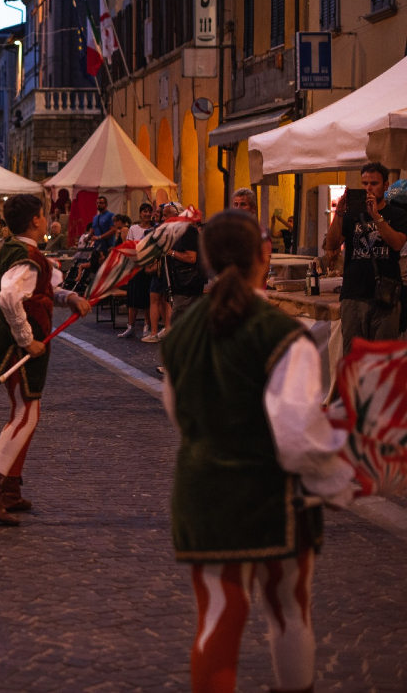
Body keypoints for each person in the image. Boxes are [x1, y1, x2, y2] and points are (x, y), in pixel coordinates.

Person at [160, 209, 353, 693]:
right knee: (290, 609)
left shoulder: (180, 332)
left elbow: (179, 412)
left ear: (205, 259)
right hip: (271, 498)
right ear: (264, 255)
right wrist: (340, 474)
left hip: (201, 491)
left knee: (217, 618)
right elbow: (295, 434)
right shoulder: (284, 334)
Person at [0, 195, 89, 525]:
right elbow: (10, 297)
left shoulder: (21, 251)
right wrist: (26, 339)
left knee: (25, 411)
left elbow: (41, 291)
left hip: (22, 346)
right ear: (36, 220)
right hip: (19, 348)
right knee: (26, 414)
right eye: (44, 214)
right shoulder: (25, 255)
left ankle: (9, 489)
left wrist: (71, 297)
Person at [324, 161, 407, 352]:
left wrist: (376, 217)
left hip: (385, 297)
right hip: (354, 295)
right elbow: (332, 244)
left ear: (386, 185)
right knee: (354, 358)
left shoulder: (398, 215)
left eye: (374, 183)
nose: (368, 188)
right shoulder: (352, 215)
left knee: (382, 358)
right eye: (364, 183)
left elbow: (396, 243)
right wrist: (339, 214)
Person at [120, 203, 155, 339]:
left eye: (149, 211)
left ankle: (147, 325)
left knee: (147, 299)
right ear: (140, 214)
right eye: (144, 211)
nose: (147, 214)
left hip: (149, 267)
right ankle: (130, 326)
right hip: (136, 267)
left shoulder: (154, 229)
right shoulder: (133, 229)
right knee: (133, 298)